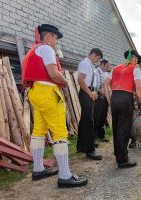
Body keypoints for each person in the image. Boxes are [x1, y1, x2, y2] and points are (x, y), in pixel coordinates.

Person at [22, 24, 87, 188]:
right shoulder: (46, 49)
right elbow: (53, 73)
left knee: (38, 131)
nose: (56, 42)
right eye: (56, 38)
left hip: (35, 92)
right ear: (49, 36)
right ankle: (65, 176)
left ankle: (38, 169)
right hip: (48, 92)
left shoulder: (32, 50)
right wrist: (65, 82)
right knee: (59, 132)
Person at [104, 49, 141, 168]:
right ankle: (122, 160)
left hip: (115, 97)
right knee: (124, 129)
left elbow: (105, 84)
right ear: (134, 59)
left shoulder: (115, 68)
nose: (135, 61)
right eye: (135, 59)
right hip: (126, 98)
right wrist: (138, 101)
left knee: (116, 128)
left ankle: (117, 153)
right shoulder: (135, 69)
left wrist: (109, 100)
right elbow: (139, 87)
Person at [77, 48, 103, 160]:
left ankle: (82, 146)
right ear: (93, 54)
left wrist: (94, 92)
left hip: (89, 92)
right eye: (97, 58)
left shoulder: (90, 65)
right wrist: (90, 93)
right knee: (89, 121)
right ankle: (90, 150)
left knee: (84, 120)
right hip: (86, 92)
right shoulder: (85, 64)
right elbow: (80, 80)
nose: (97, 61)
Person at [93, 59, 111, 142]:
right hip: (99, 97)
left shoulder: (107, 74)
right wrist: (103, 92)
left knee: (103, 117)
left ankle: (102, 136)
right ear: (102, 64)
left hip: (105, 98)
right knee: (96, 117)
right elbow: (95, 86)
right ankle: (95, 137)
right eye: (107, 66)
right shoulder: (96, 72)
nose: (108, 68)